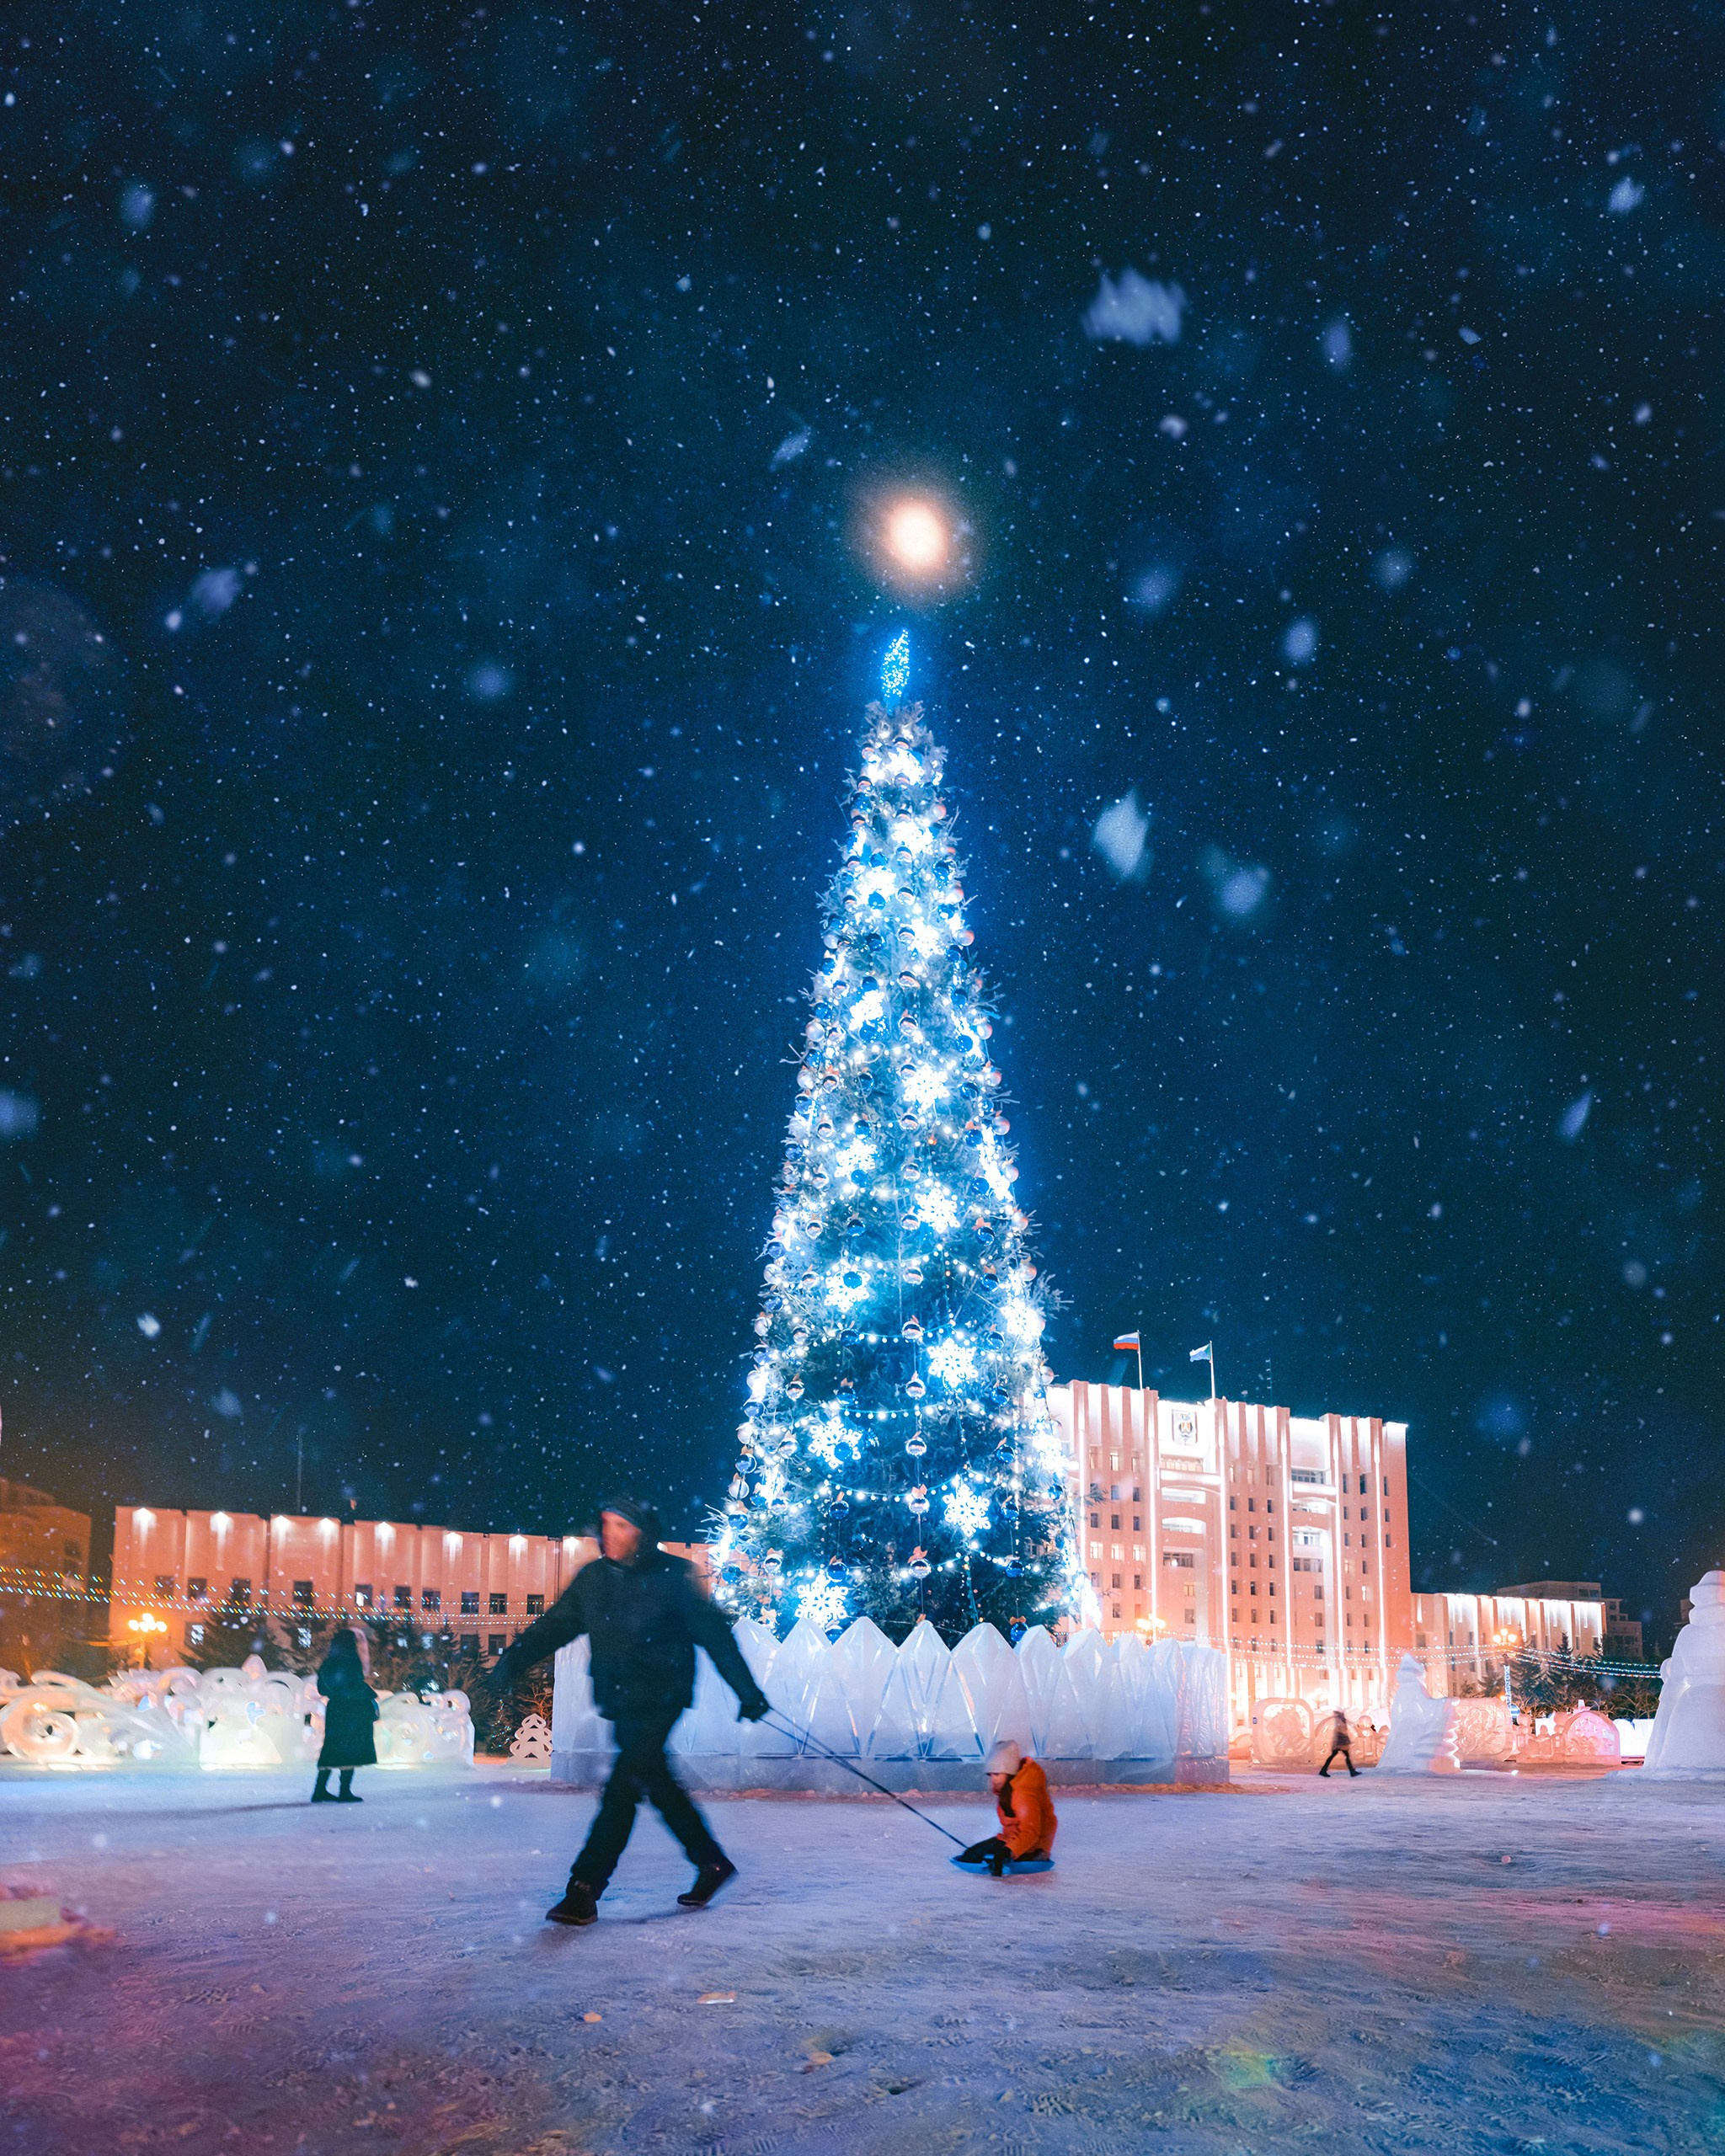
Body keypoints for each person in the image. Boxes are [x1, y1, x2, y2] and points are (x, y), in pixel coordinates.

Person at [487, 1496, 771, 1927]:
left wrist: (746, 1691)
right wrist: (510, 1663)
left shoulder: (672, 1577)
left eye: (621, 1525)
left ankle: (584, 1888)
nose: (609, 1534)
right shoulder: (594, 1579)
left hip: (662, 1696)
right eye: (605, 1524)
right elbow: (555, 1626)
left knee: (623, 1788)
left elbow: (715, 1636)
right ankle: (711, 1862)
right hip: (619, 1698)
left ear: (642, 1532)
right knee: (656, 1782)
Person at [956, 1741, 1059, 1875]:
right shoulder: (1008, 1787)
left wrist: (1007, 1852)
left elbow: (1030, 1833)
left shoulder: (1023, 1793)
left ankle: (1030, 1857)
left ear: (1009, 1772)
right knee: (971, 1855)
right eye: (991, 1774)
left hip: (1033, 1847)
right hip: (1013, 1840)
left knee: (979, 1857)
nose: (993, 1779)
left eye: (997, 1774)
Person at [313, 1627, 378, 1804]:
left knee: (332, 1748)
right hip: (351, 1711)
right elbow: (353, 1687)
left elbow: (322, 1688)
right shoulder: (350, 1661)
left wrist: (338, 1693)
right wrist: (367, 1694)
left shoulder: (329, 1662)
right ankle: (344, 1791)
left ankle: (320, 1790)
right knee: (350, 1749)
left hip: (336, 1709)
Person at [1318, 1705, 1359, 1779]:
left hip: (1339, 1741)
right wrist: (1345, 1734)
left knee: (1337, 1755)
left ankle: (1324, 1770)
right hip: (1340, 1741)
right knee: (1345, 1756)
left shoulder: (1339, 1719)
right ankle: (1352, 1771)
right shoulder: (1339, 1720)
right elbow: (1341, 1729)